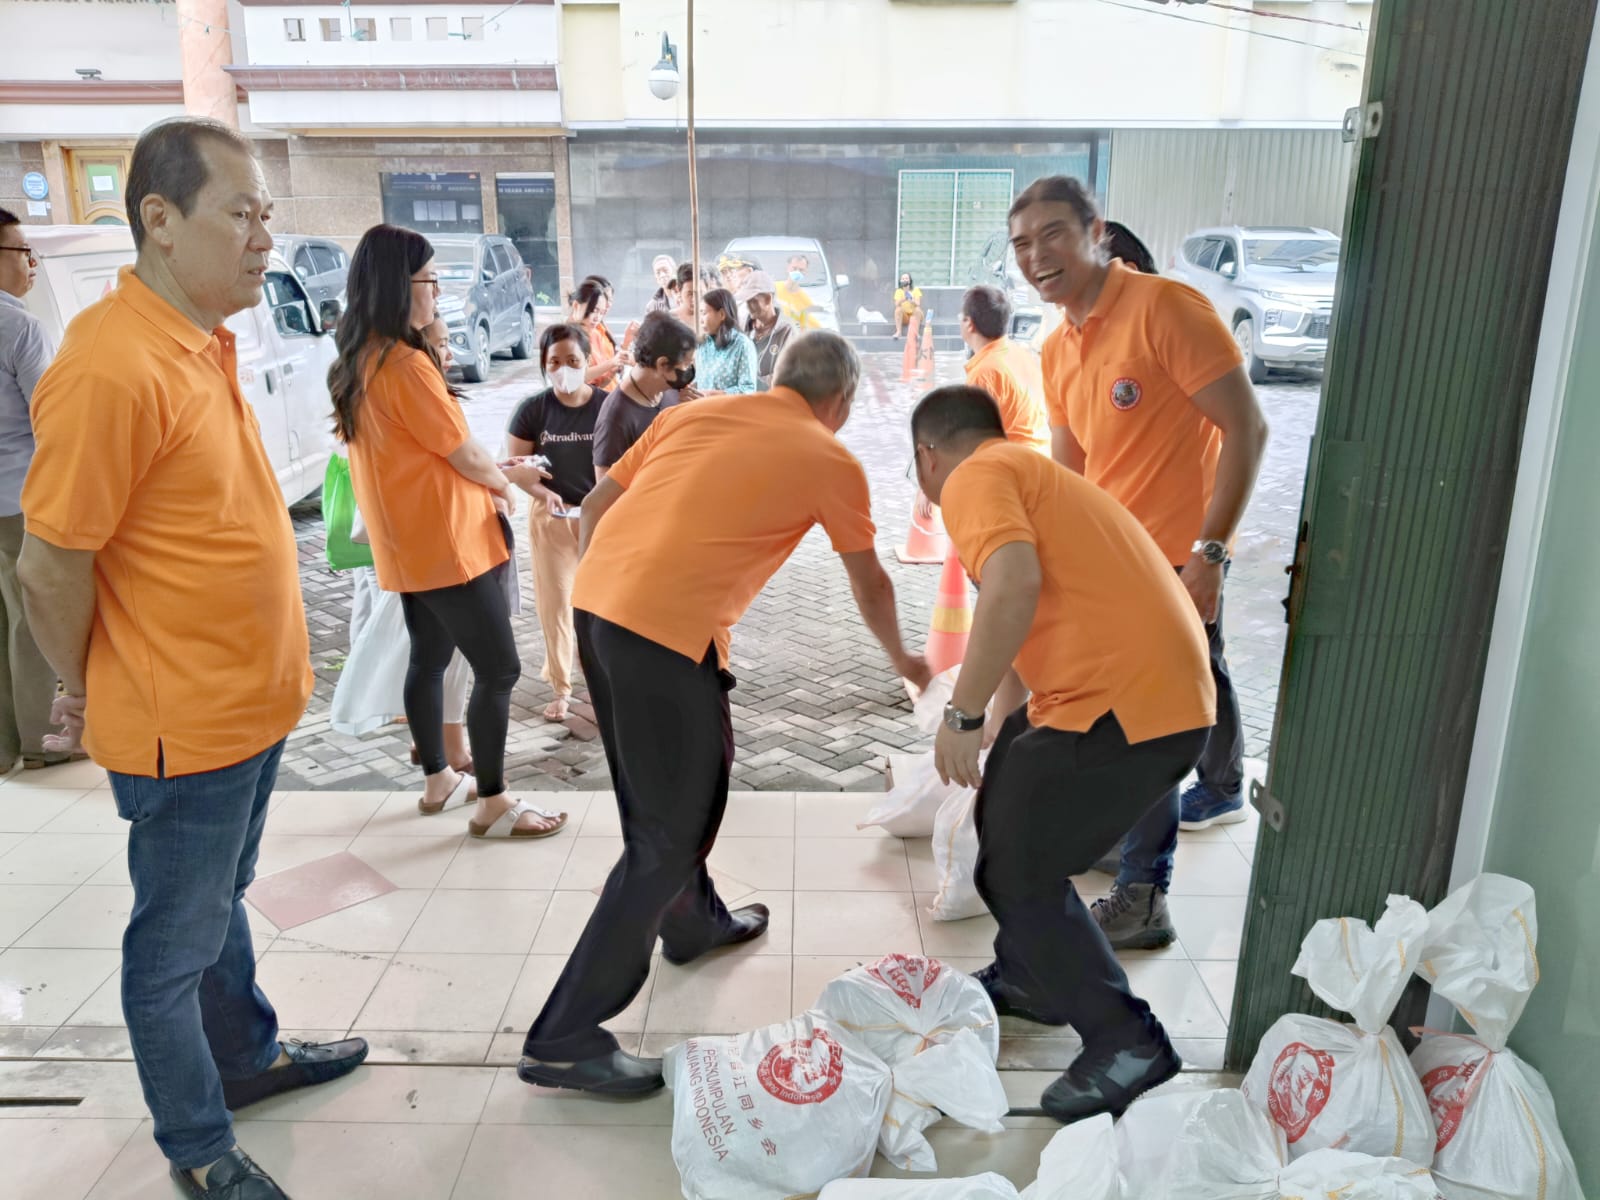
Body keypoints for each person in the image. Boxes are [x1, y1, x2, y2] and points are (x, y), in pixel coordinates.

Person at [18, 116, 368, 1200]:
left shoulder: (201, 341)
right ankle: (198, 1143)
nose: (265, 237)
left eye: (269, 214)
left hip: (247, 708)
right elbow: (47, 568)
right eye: (242, 213)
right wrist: (85, 685)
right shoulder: (109, 368)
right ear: (160, 222)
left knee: (224, 902)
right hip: (182, 725)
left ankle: (249, 1055)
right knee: (170, 947)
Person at [518, 331, 931, 1096]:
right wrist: (906, 661)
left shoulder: (689, 415)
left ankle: (694, 922)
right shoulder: (828, 456)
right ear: (837, 401)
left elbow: (600, 501)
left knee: (674, 794)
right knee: (667, 831)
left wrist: (612, 587)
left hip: (602, 614)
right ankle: (565, 1036)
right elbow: (870, 582)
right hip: (662, 641)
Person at [911, 384, 1215, 1126]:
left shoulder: (974, 477)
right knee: (1006, 834)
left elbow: (1011, 585)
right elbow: (1022, 610)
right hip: (1122, 694)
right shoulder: (1024, 471)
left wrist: (963, 712)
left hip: (1129, 705)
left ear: (928, 455)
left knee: (1019, 869)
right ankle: (1034, 979)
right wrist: (1002, 730)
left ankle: (1128, 1041)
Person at [1011, 177, 1268, 951]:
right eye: (1022, 244)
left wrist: (1210, 555)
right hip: (1112, 575)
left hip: (1176, 569)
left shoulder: (1166, 309)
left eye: (1053, 234)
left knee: (1156, 725)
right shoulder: (1056, 345)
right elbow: (1071, 473)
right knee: (1122, 721)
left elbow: (1247, 429)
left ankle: (1144, 893)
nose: (1036, 256)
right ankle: (1129, 843)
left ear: (1096, 232)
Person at [332, 222, 566, 841]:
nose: (437, 291)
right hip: (449, 545)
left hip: (410, 545)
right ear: (396, 286)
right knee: (500, 670)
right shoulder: (404, 365)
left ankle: (439, 777)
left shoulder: (360, 360)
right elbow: (463, 453)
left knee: (430, 659)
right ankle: (492, 801)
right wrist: (502, 482)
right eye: (429, 279)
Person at [333, 315, 475, 775]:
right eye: (440, 344)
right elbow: (456, 462)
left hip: (404, 541)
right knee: (440, 656)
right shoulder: (398, 380)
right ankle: (446, 753)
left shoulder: (375, 380)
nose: (447, 354)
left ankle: (434, 751)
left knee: (421, 650)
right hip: (421, 543)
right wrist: (501, 479)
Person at [0, 207, 70, 772]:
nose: (31, 262)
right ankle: (39, 742)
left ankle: (3, 749)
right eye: (22, 251)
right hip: (17, 501)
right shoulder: (19, 326)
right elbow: (53, 422)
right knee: (34, 619)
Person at [506, 322, 605, 723]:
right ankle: (562, 687)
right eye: (554, 362)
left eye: (573, 360)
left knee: (600, 608)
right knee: (556, 605)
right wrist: (541, 493)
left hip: (600, 520)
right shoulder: (533, 410)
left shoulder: (606, 407)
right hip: (552, 521)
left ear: (588, 361)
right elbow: (515, 467)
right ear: (544, 365)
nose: (563, 369)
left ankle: (602, 684)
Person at [592, 310, 697, 481]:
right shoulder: (615, 417)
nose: (688, 371)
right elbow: (605, 497)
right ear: (662, 364)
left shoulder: (670, 389)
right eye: (686, 364)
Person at [960, 284, 1050, 455]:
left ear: (969, 324)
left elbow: (973, 444)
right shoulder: (1020, 354)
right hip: (1041, 457)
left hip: (1016, 467)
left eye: (962, 317)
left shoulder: (984, 374)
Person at [694, 287, 759, 396]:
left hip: (729, 412)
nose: (701, 320)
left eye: (704, 313)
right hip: (702, 410)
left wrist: (713, 395)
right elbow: (701, 382)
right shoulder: (703, 345)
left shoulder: (742, 345)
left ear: (722, 314)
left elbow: (748, 390)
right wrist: (691, 390)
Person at [739, 271, 796, 391]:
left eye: (753, 301)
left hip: (772, 401)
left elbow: (786, 377)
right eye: (747, 301)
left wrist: (750, 381)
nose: (749, 306)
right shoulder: (743, 325)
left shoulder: (786, 331)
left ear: (768, 299)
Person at [570, 277, 625, 389]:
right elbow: (578, 376)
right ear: (576, 305)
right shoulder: (565, 337)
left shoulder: (596, 334)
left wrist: (612, 371)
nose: (597, 318)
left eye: (601, 313)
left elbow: (599, 384)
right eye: (594, 311)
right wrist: (611, 363)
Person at [775, 253, 820, 329]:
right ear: (788, 268)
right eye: (794, 268)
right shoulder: (773, 288)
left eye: (801, 270)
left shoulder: (805, 300)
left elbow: (813, 326)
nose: (797, 272)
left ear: (805, 272)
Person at [894, 271, 924, 338]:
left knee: (918, 309)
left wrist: (911, 300)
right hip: (905, 317)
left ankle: (916, 332)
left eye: (906, 278)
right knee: (898, 309)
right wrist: (904, 298)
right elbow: (896, 304)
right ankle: (898, 332)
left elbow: (918, 303)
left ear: (910, 281)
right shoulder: (898, 291)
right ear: (900, 281)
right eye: (903, 279)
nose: (905, 280)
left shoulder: (916, 290)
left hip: (914, 315)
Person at [670, 261, 699, 328]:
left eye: (700, 293)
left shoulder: (715, 318)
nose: (694, 299)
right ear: (679, 290)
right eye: (690, 294)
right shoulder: (669, 320)